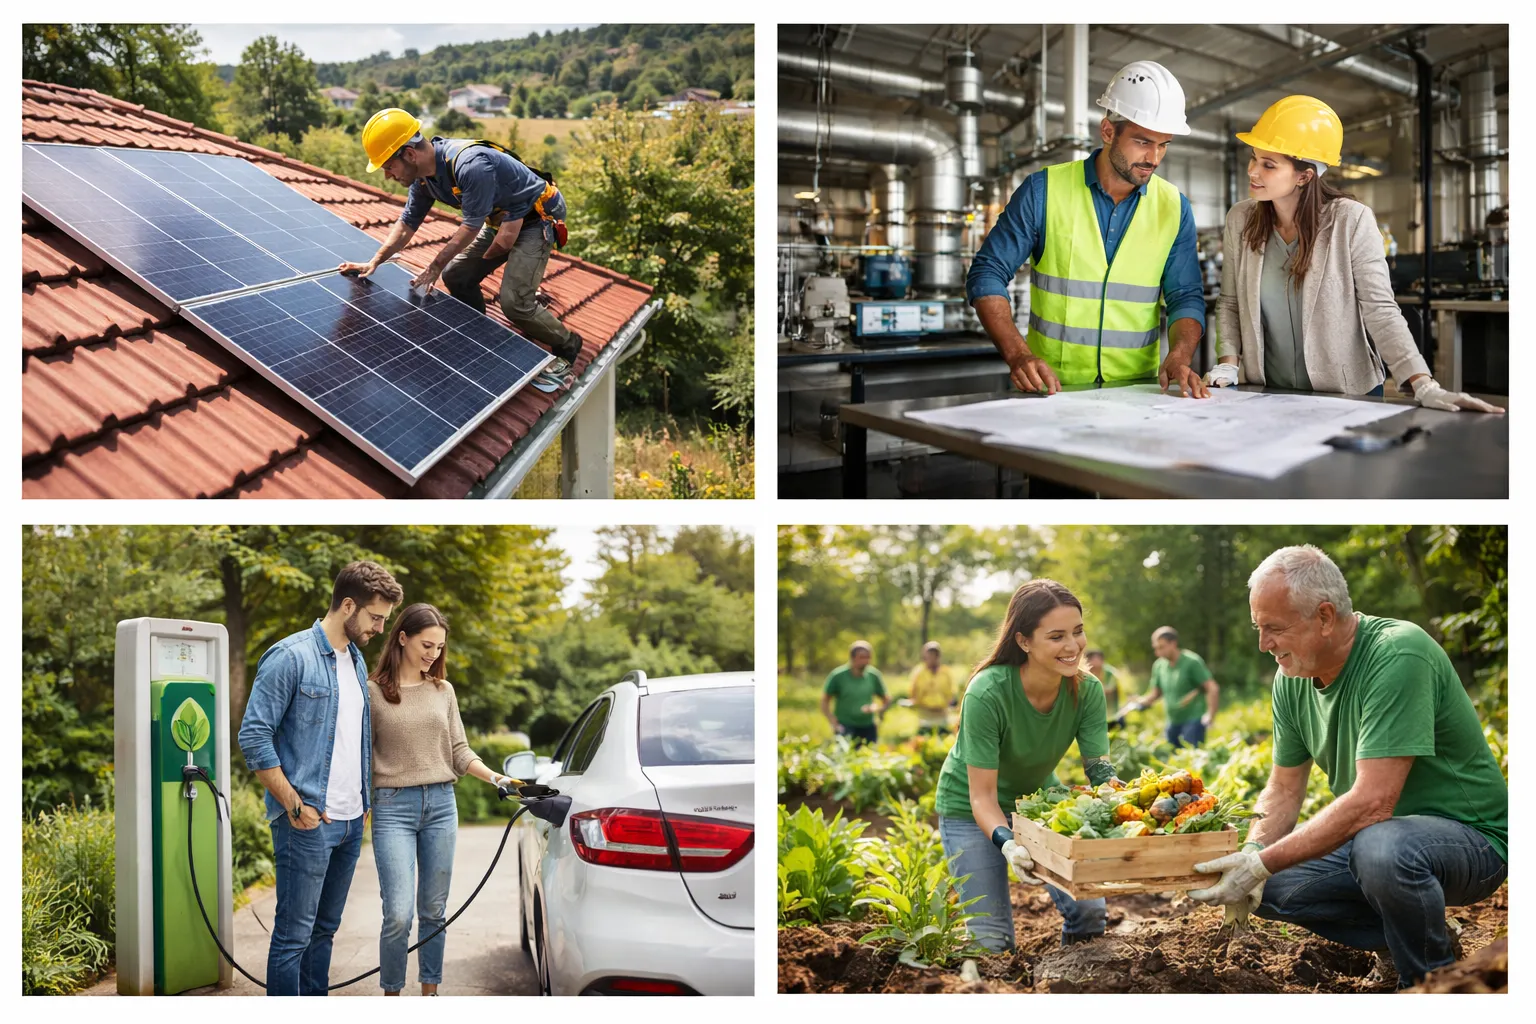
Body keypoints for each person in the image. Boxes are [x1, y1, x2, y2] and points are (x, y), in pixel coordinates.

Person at [1190, 545, 1508, 988]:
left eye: (1274, 628)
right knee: (1270, 887)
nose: (1264, 644)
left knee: (1381, 847)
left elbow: (1374, 802)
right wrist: (1252, 854)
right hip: (1381, 839)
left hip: (1472, 841)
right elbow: (1283, 789)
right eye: (1258, 628)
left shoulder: (1397, 654)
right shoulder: (1291, 680)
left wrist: (1263, 863)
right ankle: (1420, 938)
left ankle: (1431, 985)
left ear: (1324, 617)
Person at [1209, 95, 1502, 413]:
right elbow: (1230, 303)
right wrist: (1228, 362)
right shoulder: (1242, 219)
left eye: (1268, 164)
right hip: (1266, 392)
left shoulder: (1350, 219)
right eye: (1254, 158)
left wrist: (1423, 383)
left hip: (1345, 394)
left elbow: (1381, 310)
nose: (1253, 171)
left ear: (1304, 176)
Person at [968, 60, 1209, 399]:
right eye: (1142, 141)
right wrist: (1019, 355)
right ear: (1108, 131)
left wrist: (1180, 354)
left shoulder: (1174, 207)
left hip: (1138, 394)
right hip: (1051, 389)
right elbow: (987, 272)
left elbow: (1185, 295)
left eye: (1163, 144)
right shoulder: (1043, 191)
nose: (1154, 158)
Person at [238, 561, 404, 996]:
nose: (380, 629)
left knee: (324, 932)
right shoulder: (289, 656)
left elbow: (352, 740)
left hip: (349, 823)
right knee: (294, 936)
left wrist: (364, 802)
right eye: (374, 618)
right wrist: (295, 805)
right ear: (347, 605)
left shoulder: (355, 660)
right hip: (306, 823)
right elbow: (254, 736)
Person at [339, 108, 583, 394]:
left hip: (536, 218)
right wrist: (375, 261)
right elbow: (407, 225)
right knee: (456, 276)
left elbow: (469, 227)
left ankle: (567, 343)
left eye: (388, 166)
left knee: (514, 303)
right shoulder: (423, 181)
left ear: (408, 154)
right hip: (500, 219)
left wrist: (434, 265)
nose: (387, 176)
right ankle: (477, 328)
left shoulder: (469, 165)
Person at [933, 580, 1121, 951]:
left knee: (1089, 911)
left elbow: (1100, 771)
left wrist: (1132, 804)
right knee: (992, 944)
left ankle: (1075, 980)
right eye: (1056, 637)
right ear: (1024, 641)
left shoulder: (1088, 690)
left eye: (1078, 632)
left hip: (1035, 803)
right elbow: (983, 797)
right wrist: (1008, 844)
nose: (1073, 646)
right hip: (969, 809)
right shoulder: (987, 692)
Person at [367, 603, 515, 996]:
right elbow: (361, 756)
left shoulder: (442, 690)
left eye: (439, 647)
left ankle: (430, 994)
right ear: (402, 638)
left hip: (440, 806)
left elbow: (460, 751)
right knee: (398, 913)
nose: (433, 654)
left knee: (433, 910)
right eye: (426, 645)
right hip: (392, 807)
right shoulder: (372, 692)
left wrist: (496, 776)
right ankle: (392, 994)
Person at [1122, 626, 1218, 747]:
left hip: (1193, 720)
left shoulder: (1191, 662)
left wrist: (1210, 716)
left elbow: (1212, 688)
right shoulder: (1159, 666)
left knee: (1191, 759)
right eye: (1156, 648)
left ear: (1173, 643)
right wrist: (1137, 703)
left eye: (1162, 647)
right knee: (1170, 758)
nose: (1158, 652)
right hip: (1172, 721)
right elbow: (1155, 694)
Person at [820, 641, 886, 745]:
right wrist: (833, 722)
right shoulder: (838, 676)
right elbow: (825, 701)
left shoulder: (874, 675)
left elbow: (886, 699)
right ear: (853, 657)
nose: (866, 661)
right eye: (862, 657)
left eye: (868, 657)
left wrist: (878, 708)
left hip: (868, 726)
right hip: (845, 726)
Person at [908, 640, 958, 735]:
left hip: (942, 714)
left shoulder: (946, 672)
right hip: (924, 714)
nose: (932, 658)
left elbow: (951, 693)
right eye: (929, 655)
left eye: (935, 655)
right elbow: (913, 692)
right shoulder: (919, 673)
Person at [1084, 649, 1123, 720]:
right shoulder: (1085, 673)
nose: (1096, 662)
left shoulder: (1110, 672)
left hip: (1110, 704)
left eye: (1098, 659)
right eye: (1093, 659)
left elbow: (1110, 689)